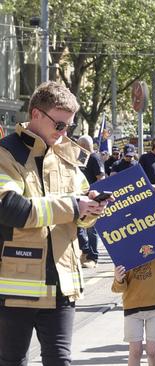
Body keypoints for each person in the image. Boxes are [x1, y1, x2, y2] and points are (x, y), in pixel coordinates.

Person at [0, 81, 110, 365]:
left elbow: (80, 218)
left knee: (60, 361)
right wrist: (74, 206)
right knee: (12, 360)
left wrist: (91, 208)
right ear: (36, 114)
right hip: (16, 287)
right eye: (60, 125)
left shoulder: (67, 157)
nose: (64, 134)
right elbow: (11, 209)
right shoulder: (6, 153)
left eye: (69, 127)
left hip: (62, 284)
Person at [112, 212, 155, 366]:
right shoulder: (124, 252)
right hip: (133, 308)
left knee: (152, 351)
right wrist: (118, 278)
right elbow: (118, 287)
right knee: (135, 351)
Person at [76, 135, 106, 269]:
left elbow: (101, 178)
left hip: (92, 198)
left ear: (86, 146)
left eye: (80, 145)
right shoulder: (81, 157)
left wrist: (97, 197)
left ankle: (93, 257)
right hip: (82, 197)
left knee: (91, 229)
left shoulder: (94, 157)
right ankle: (85, 252)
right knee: (79, 227)